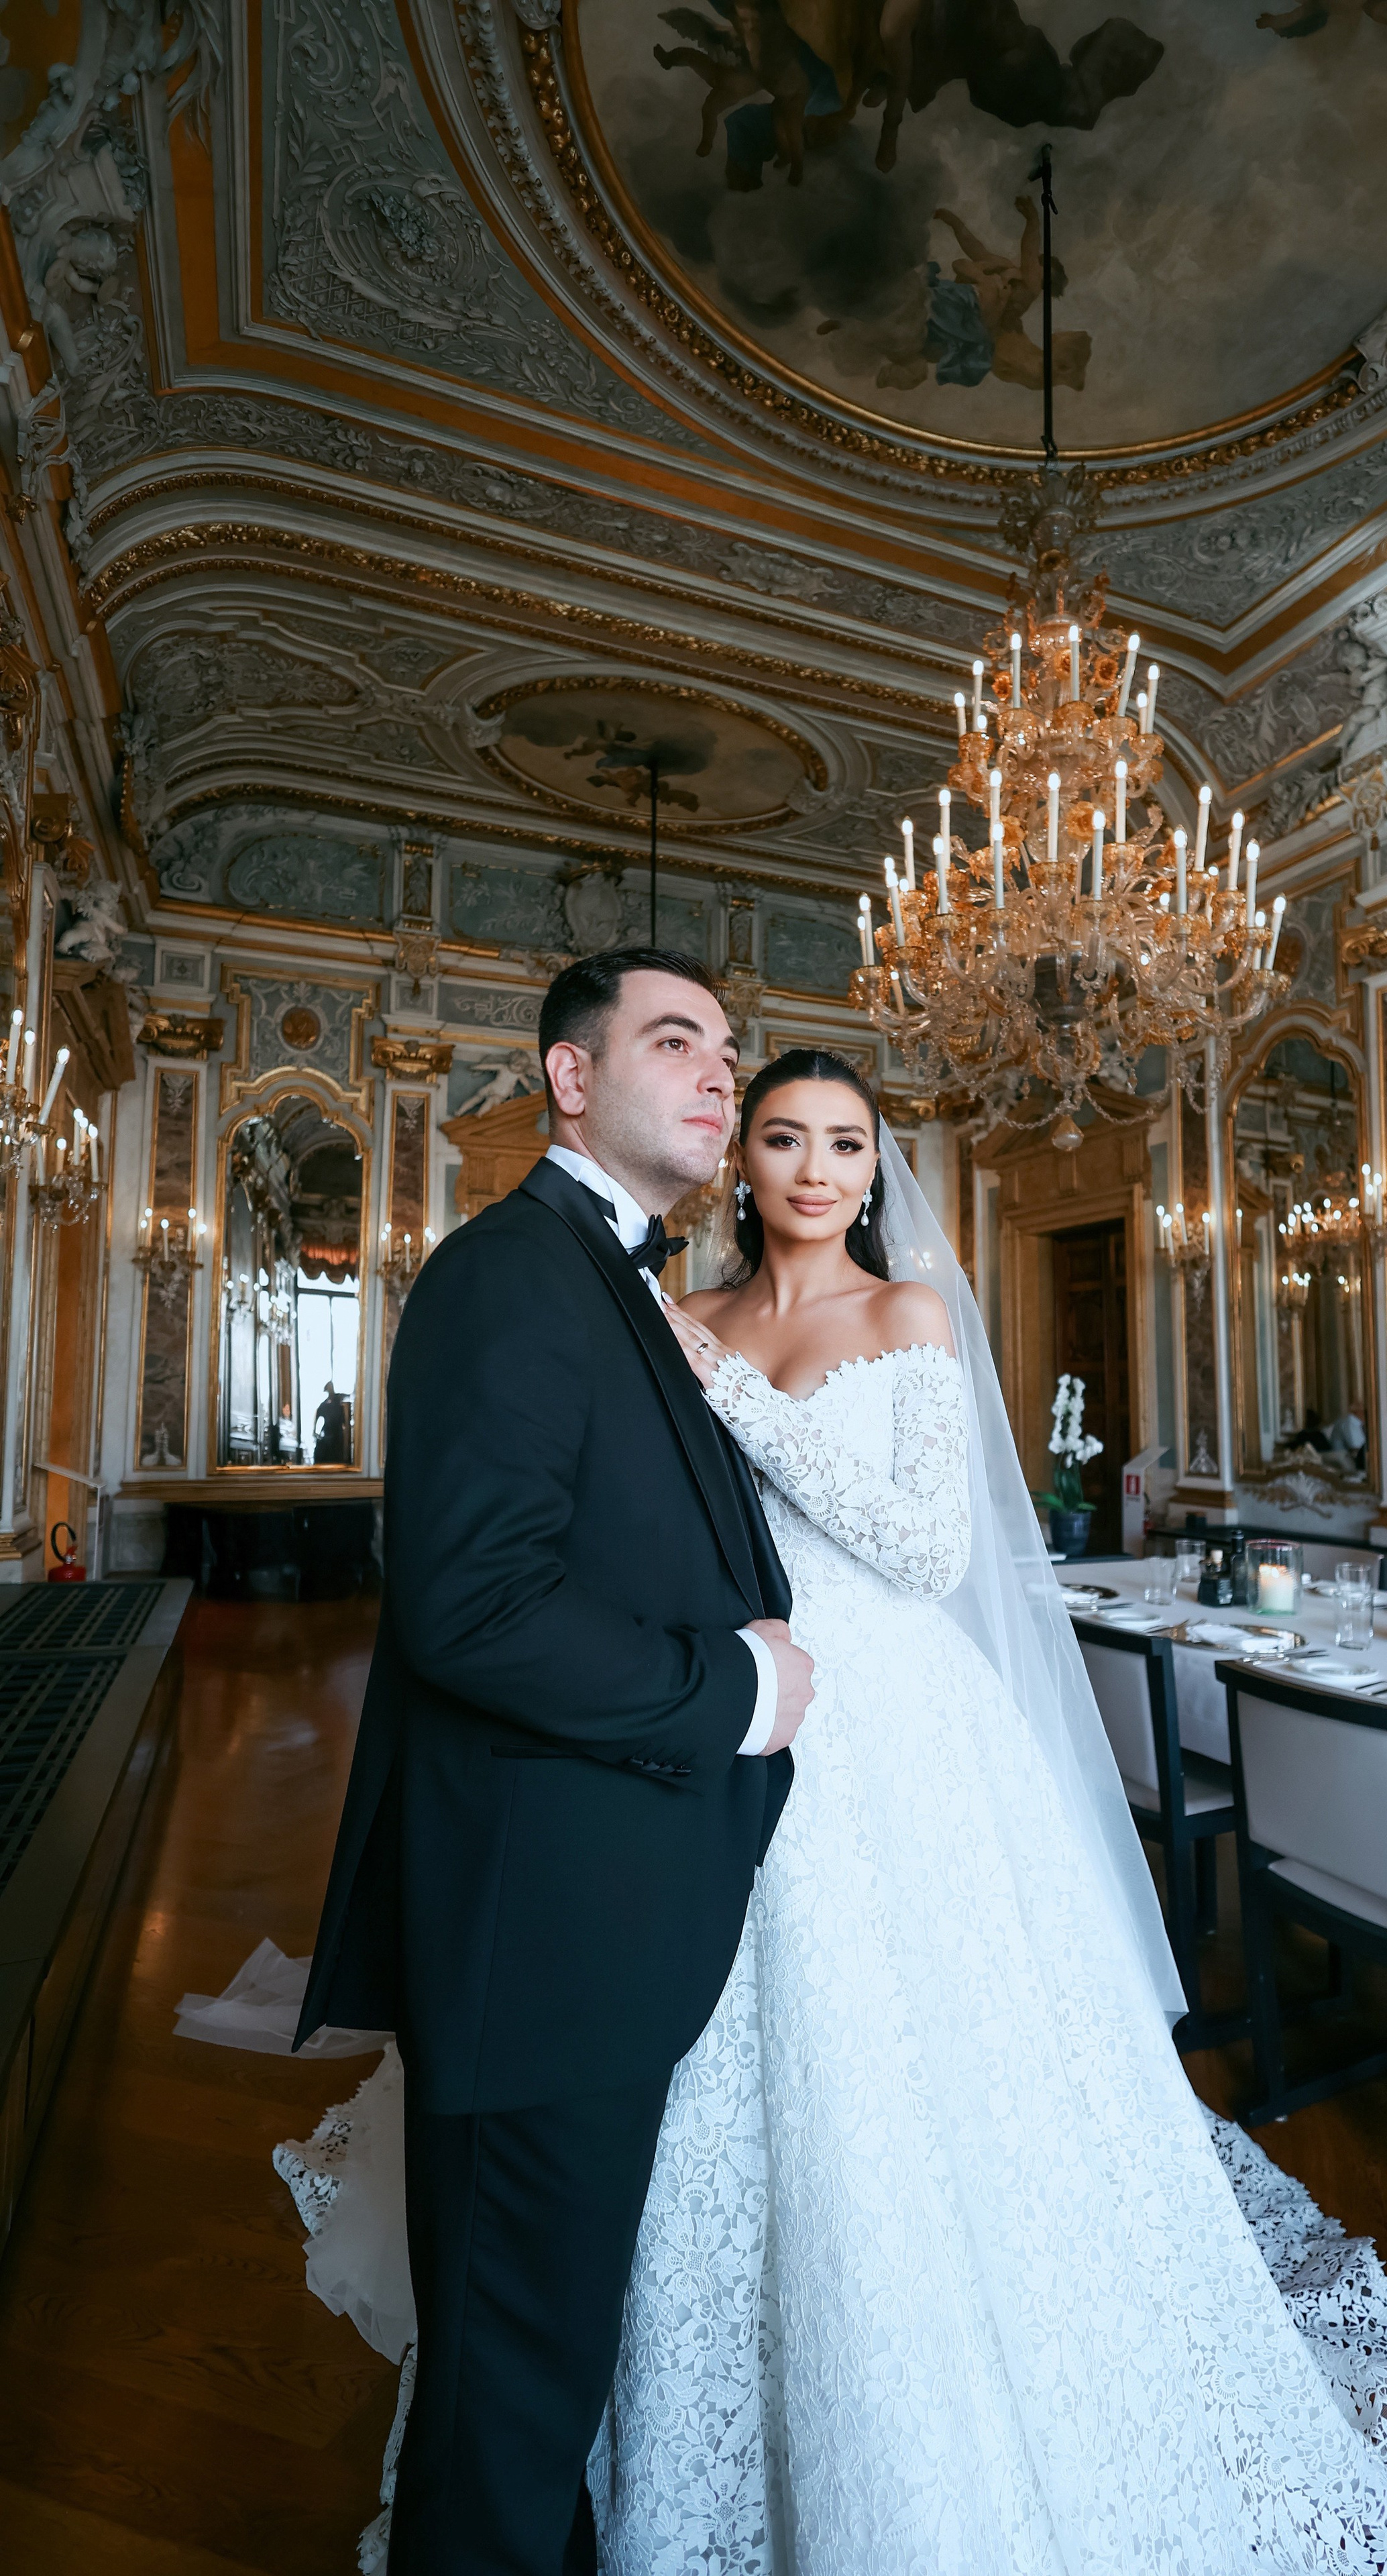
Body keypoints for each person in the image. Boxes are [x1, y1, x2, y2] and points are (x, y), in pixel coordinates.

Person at [584, 1047, 1387, 2572]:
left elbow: (920, 1549)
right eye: (784, 1138)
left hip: (899, 1729)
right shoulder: (686, 1315)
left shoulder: (900, 1313)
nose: (816, 1169)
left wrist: (738, 1402)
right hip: (735, 1708)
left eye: (846, 1142)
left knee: (921, 2056)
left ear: (869, 1169)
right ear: (741, 1161)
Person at [292, 950, 812, 2576]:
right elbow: (474, 1603)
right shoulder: (509, 1271)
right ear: (568, 1078)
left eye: (727, 1046)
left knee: (544, 2365)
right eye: (675, 1041)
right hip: (540, 1940)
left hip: (603, 1917)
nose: (721, 1072)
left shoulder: (622, 1282)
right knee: (506, 2393)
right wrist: (726, 1683)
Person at [312, 1379, 349, 1464]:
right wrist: (314, 1431)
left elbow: (344, 1423)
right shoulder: (325, 1405)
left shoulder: (338, 1404)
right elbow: (317, 1417)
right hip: (329, 1434)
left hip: (336, 1435)